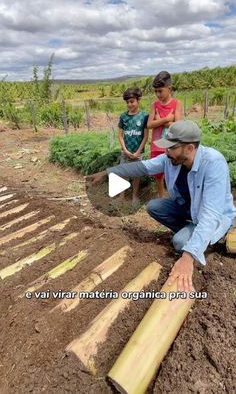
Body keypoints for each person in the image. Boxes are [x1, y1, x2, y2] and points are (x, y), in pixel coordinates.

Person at [87, 120, 236, 292]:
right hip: (191, 211)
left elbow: (210, 215)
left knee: (180, 242)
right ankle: (193, 233)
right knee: (155, 206)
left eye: (171, 148)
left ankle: (214, 237)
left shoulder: (213, 164)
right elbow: (141, 167)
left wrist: (188, 258)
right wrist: (108, 172)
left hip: (214, 217)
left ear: (189, 148)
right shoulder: (170, 160)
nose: (166, 151)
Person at [147, 71, 183, 198]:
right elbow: (149, 124)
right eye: (155, 91)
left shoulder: (176, 103)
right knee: (158, 175)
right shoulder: (155, 105)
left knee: (173, 172)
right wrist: (166, 119)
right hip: (156, 145)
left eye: (160, 91)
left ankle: (175, 197)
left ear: (169, 89)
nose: (157, 94)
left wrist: (160, 121)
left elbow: (178, 126)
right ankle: (161, 197)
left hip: (171, 145)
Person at [118, 87, 149, 204]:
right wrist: (125, 150)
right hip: (125, 151)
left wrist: (138, 152)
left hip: (138, 152)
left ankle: (134, 196)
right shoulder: (123, 117)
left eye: (132, 101)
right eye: (127, 102)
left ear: (138, 100)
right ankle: (121, 196)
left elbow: (146, 136)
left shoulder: (144, 116)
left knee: (136, 175)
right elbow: (120, 135)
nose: (130, 104)